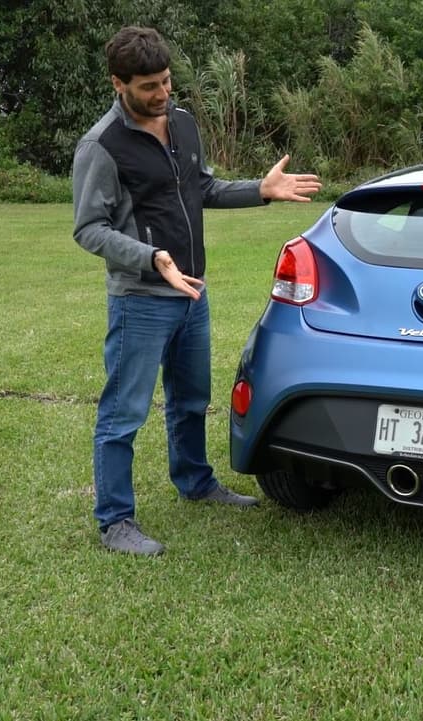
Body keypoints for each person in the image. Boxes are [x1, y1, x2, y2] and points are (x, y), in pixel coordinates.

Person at [71, 26, 322, 556]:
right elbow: (89, 228)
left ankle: (195, 481)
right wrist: (151, 257)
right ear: (118, 83)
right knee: (123, 413)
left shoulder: (182, 122)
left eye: (165, 81)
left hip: (192, 293)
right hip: (140, 300)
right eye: (148, 87)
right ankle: (115, 521)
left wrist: (260, 190)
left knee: (191, 400)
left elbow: (201, 187)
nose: (162, 94)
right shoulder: (102, 146)